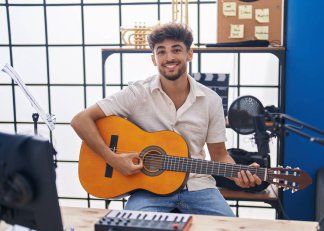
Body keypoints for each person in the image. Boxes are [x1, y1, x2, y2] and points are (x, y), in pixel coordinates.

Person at [71, 22, 261, 217]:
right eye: (161, 52)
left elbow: (220, 155)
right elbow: (80, 120)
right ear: (153, 59)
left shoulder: (211, 100)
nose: (169, 57)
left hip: (198, 186)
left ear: (189, 54)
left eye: (176, 50)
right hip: (148, 191)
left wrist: (237, 174)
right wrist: (113, 158)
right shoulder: (137, 93)